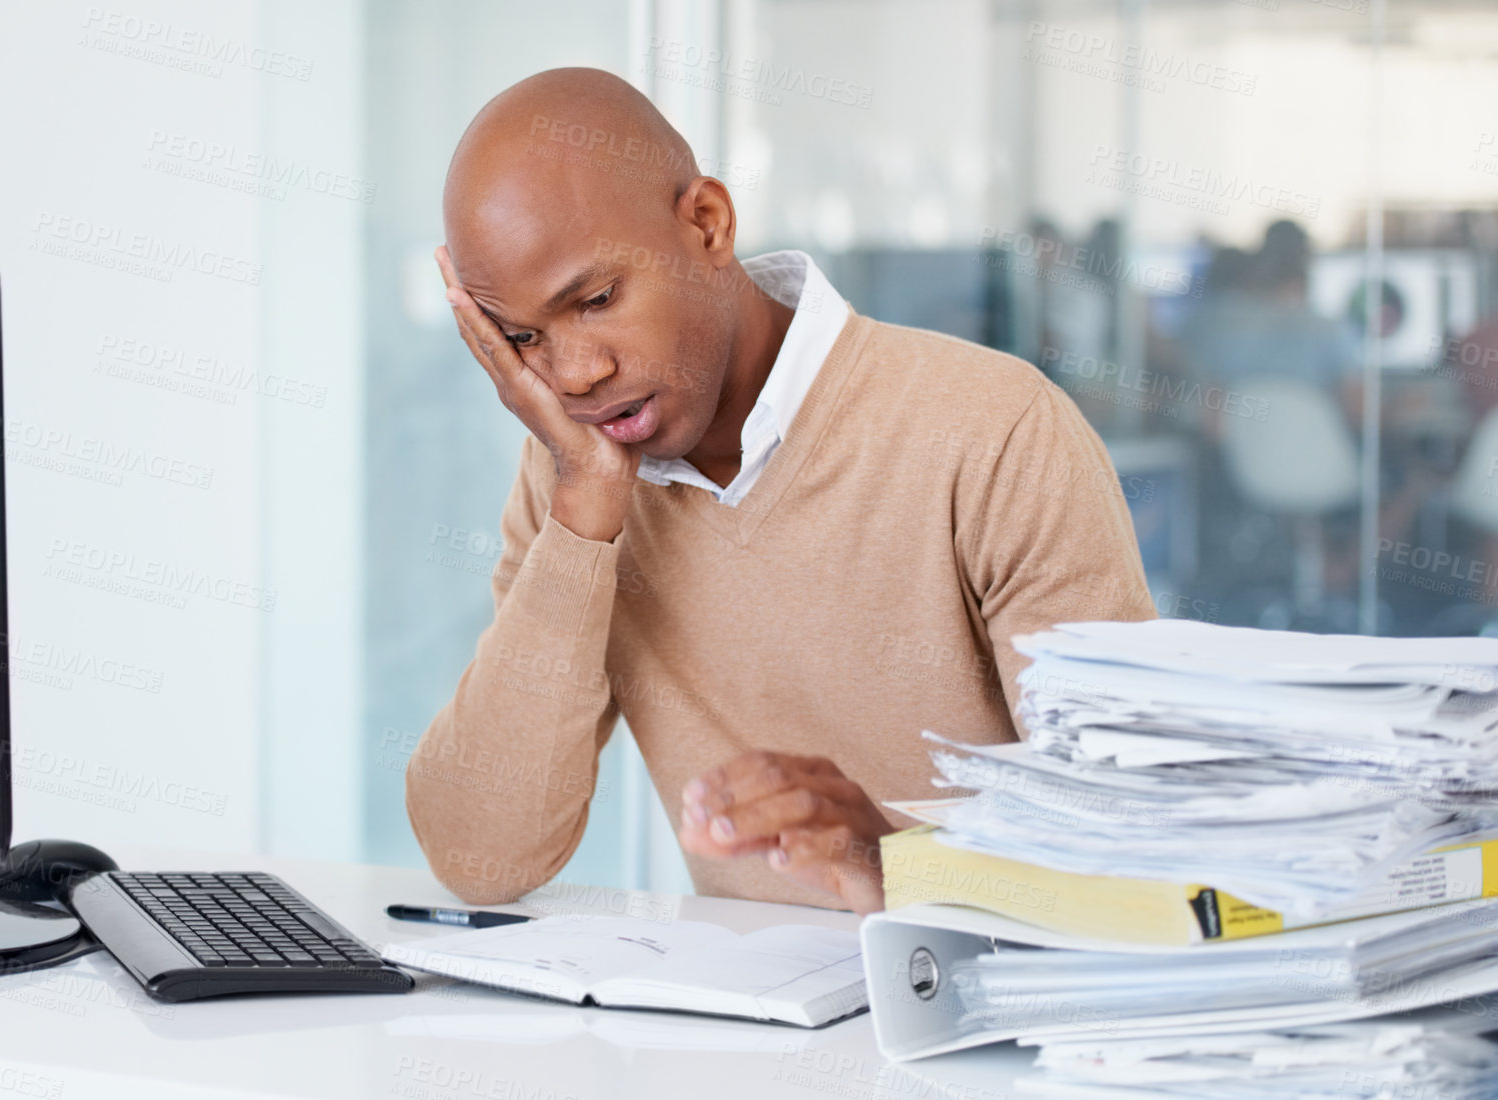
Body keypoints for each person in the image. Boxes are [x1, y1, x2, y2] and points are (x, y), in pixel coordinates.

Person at [406, 67, 1155, 915]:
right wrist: (581, 523)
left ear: (706, 224)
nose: (577, 373)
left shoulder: (992, 429)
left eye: (600, 299)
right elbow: (480, 855)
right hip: (752, 1027)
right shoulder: (578, 473)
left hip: (994, 1008)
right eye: (523, 338)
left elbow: (1137, 850)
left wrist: (897, 865)